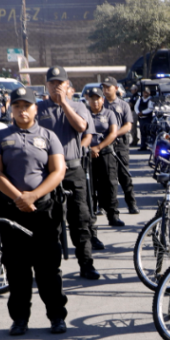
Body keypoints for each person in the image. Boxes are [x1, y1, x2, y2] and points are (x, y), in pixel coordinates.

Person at [0, 86, 68, 336]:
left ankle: (56, 317)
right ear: (10, 109)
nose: (22, 111)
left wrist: (34, 195)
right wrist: (19, 197)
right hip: (11, 211)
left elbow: (58, 171)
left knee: (47, 268)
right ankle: (20, 319)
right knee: (16, 268)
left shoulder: (48, 136)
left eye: (27, 106)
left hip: (43, 211)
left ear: (36, 109)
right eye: (17, 106)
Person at [37, 66, 102, 278]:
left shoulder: (78, 106)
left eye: (60, 83)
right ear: (46, 85)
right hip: (47, 173)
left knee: (80, 220)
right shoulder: (39, 109)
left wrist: (64, 103)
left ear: (67, 85)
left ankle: (86, 264)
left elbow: (82, 127)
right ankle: (50, 269)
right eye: (52, 83)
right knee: (49, 223)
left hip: (73, 169)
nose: (56, 86)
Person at [85, 88, 122, 227]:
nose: (95, 101)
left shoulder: (109, 113)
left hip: (106, 153)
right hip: (88, 154)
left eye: (98, 98)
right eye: (92, 98)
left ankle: (113, 216)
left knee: (110, 185)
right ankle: (91, 215)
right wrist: (89, 149)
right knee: (90, 185)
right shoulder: (84, 113)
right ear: (88, 99)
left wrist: (98, 148)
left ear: (102, 99)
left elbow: (113, 133)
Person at [103, 76, 138, 214]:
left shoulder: (123, 105)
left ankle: (132, 204)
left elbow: (128, 126)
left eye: (108, 87)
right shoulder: (101, 104)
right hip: (105, 145)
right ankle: (109, 208)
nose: (105, 90)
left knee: (124, 176)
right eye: (104, 87)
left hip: (120, 144)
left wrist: (114, 133)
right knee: (108, 179)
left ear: (116, 88)